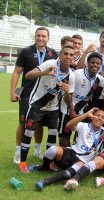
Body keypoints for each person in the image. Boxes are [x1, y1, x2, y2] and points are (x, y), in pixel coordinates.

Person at [18, 45, 76, 173]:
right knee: (29, 132)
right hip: (37, 103)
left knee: (52, 135)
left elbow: (67, 100)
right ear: (60, 55)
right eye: (66, 53)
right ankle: (22, 163)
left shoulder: (71, 75)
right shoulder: (50, 63)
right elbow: (28, 75)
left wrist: (66, 92)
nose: (68, 57)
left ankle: (47, 164)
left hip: (53, 107)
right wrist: (44, 72)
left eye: (71, 55)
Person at [10, 27, 58, 164]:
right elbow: (17, 72)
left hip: (43, 96)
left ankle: (37, 150)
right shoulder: (26, 51)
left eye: (44, 36)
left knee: (39, 124)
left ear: (48, 38)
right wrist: (13, 92)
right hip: (27, 94)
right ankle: (18, 151)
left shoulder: (53, 53)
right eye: (38, 36)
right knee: (23, 123)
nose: (41, 38)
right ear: (35, 36)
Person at [33, 108, 104, 191]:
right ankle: (44, 167)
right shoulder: (83, 125)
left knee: (70, 172)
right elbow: (68, 125)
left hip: (82, 161)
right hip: (70, 152)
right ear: (92, 117)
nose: (100, 118)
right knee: (52, 150)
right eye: (98, 115)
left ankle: (45, 181)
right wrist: (86, 115)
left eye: (103, 117)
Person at [58, 52, 104, 147]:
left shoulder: (99, 78)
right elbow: (69, 94)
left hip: (81, 111)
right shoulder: (77, 74)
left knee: (79, 134)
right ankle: (62, 159)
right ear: (87, 63)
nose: (95, 65)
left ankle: (74, 154)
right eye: (93, 62)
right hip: (67, 108)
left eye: (98, 63)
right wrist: (72, 111)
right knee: (65, 135)